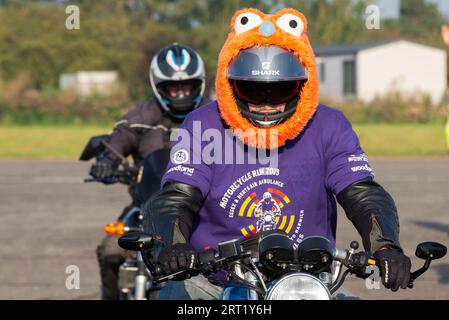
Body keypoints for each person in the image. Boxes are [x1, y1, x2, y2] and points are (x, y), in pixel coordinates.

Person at [144, 8, 411, 300]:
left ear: (301, 86)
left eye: (280, 91)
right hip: (214, 281)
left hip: (306, 281)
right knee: (175, 295)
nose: (267, 104)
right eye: (253, 91)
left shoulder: (330, 125)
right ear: (231, 85)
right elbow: (177, 198)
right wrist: (173, 245)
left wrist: (385, 246)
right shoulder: (202, 125)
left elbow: (361, 192)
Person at [92, 43, 208, 300]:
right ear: (159, 85)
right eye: (173, 87)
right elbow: (118, 142)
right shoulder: (141, 116)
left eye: (186, 86)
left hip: (197, 207)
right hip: (144, 205)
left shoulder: (214, 114)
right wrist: (106, 161)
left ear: (199, 84)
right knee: (111, 250)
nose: (180, 94)